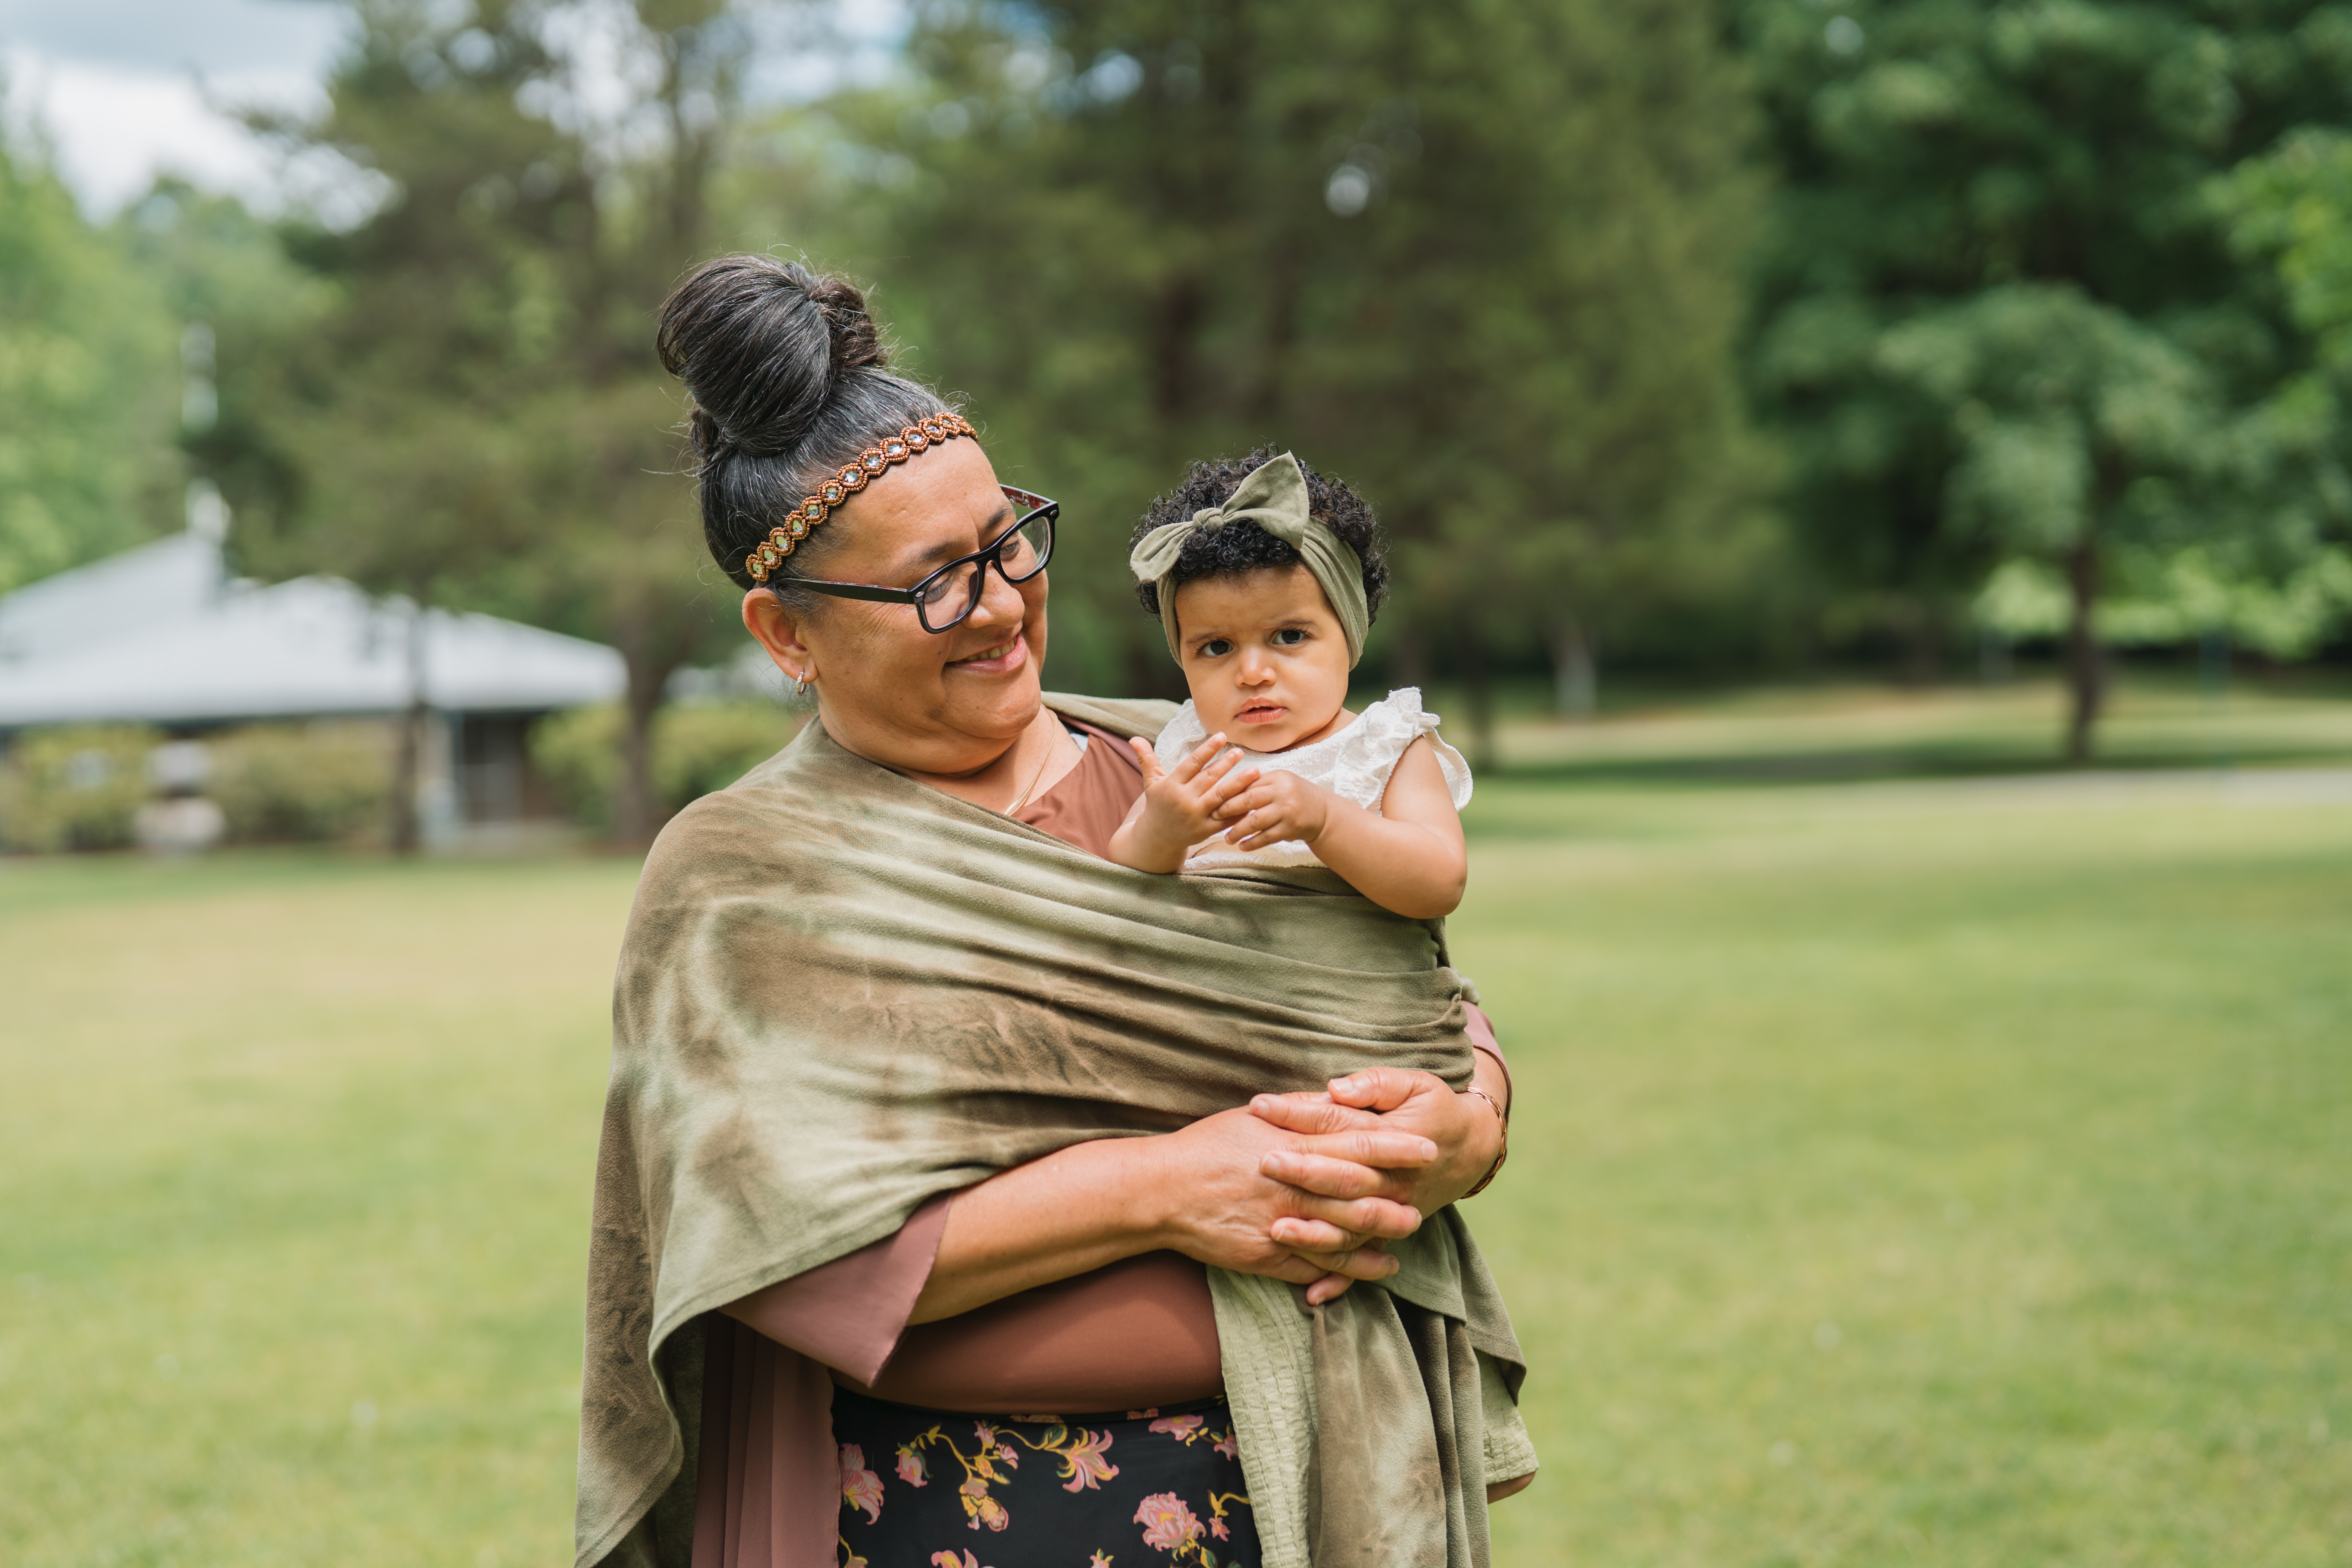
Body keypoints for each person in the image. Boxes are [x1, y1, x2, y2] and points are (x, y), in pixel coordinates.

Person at [573, 254, 1534, 1568]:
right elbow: (769, 1247)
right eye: (936, 582)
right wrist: (1162, 1186)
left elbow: (1397, 987)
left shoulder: (1185, 761)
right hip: (950, 1520)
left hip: (1308, 1492)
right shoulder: (748, 874)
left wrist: (1468, 1123)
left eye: (1009, 543)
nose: (1006, 605)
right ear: (784, 636)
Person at [1107, 449, 1470, 925]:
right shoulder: (1194, 751)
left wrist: (1325, 820)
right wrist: (1162, 831)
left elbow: (1441, 882)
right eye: (1217, 647)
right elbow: (1120, 879)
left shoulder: (1386, 746)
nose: (1253, 673)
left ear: (1350, 633)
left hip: (1346, 990)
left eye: (1290, 637)